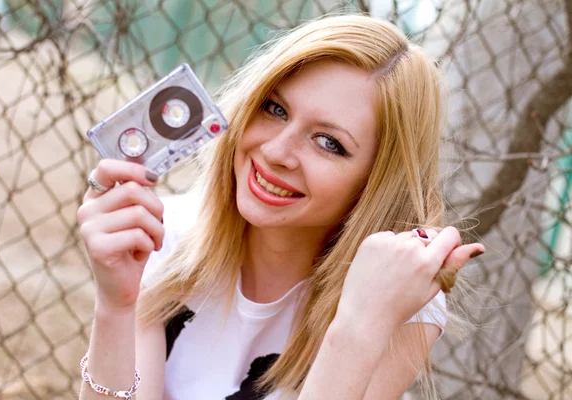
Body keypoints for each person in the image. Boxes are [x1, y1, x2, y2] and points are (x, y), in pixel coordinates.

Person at [77, 13, 485, 400]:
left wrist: (356, 330)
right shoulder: (165, 235)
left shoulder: (398, 300)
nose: (275, 152)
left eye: (329, 142)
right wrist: (116, 305)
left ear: (376, 182)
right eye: (275, 109)